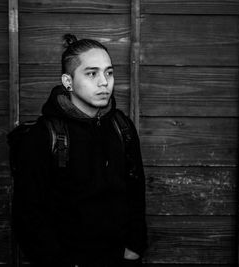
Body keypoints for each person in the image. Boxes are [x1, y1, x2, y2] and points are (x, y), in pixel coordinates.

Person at [11, 34, 148, 266]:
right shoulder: (45, 135)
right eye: (91, 73)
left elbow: (136, 191)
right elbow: (28, 213)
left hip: (119, 257)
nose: (104, 82)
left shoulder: (121, 127)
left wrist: (134, 248)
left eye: (109, 72)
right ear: (68, 82)